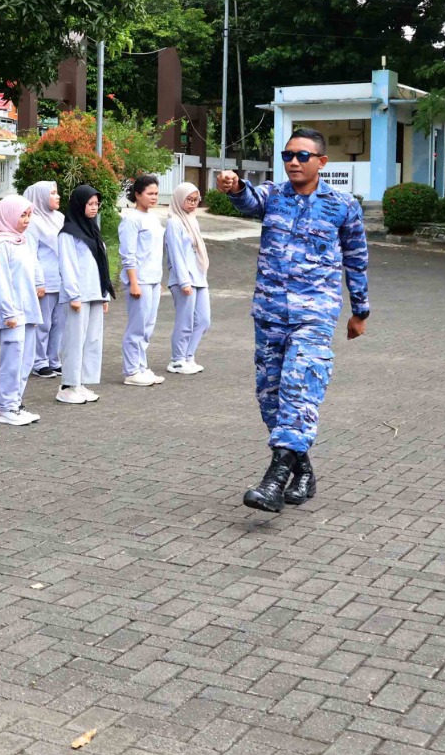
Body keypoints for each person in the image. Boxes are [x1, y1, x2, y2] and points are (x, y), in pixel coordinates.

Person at [219, 128, 371, 513]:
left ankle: (274, 481)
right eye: (288, 155)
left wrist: (360, 311)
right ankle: (303, 471)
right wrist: (235, 187)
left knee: (299, 389)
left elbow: (356, 259)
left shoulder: (342, 206)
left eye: (303, 156)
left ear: (322, 162)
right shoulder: (272, 196)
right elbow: (248, 200)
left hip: (315, 313)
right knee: (270, 398)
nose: (294, 162)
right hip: (270, 314)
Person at [0, 194, 41, 426]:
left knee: (25, 359)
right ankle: (5, 407)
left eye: (28, 215)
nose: (26, 220)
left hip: (28, 310)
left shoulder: (21, 241)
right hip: (11, 313)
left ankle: (15, 402)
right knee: (12, 359)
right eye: (21, 215)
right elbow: (0, 281)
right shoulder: (1, 245)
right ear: (7, 216)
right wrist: (9, 312)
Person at [56, 184, 113, 404]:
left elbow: (101, 263)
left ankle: (81, 383)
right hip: (78, 296)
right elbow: (67, 265)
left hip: (95, 293)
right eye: (90, 204)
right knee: (74, 340)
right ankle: (67, 385)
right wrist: (73, 295)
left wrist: (104, 293)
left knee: (92, 339)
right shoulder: (68, 233)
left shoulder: (92, 230)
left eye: (96, 204)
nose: (94, 208)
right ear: (79, 205)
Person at [118, 175, 167, 387]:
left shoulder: (153, 218)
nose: (154, 197)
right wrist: (134, 283)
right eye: (150, 193)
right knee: (137, 326)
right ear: (137, 194)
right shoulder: (131, 219)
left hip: (153, 279)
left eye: (156, 193)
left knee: (148, 326)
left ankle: (141, 366)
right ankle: (131, 371)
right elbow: (128, 254)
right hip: (140, 280)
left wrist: (159, 280)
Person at [165, 182, 211, 376]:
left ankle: (188, 357)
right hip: (184, 279)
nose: (193, 204)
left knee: (204, 320)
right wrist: (184, 281)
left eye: (195, 200)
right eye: (189, 200)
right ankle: (177, 360)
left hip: (199, 277)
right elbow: (175, 254)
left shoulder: (192, 220)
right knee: (185, 321)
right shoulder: (174, 222)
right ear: (178, 199)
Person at [24, 181, 66, 379]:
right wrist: (38, 281)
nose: (57, 196)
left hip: (61, 278)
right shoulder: (32, 221)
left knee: (59, 322)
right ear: (40, 197)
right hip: (45, 279)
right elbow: (30, 253)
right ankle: (39, 361)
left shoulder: (60, 218)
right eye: (52, 193)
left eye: (56, 193)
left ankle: (54, 359)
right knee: (43, 323)